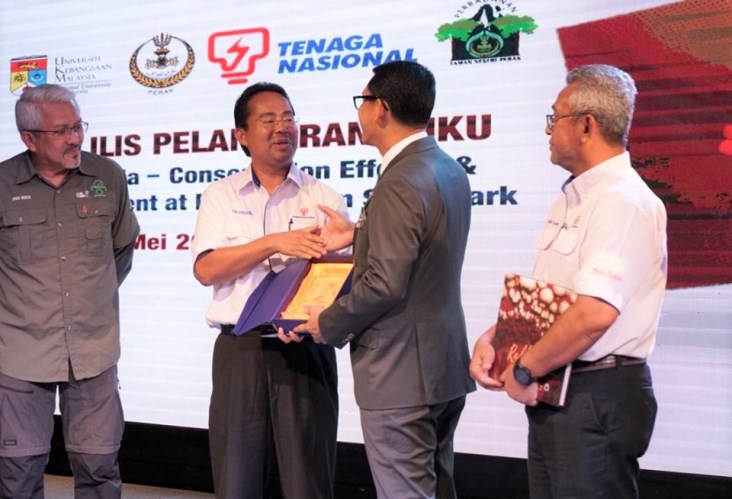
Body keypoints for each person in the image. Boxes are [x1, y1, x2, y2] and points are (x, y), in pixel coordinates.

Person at [470, 64, 667, 498]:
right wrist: (498, 341)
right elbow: (555, 301)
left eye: (554, 117)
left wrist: (525, 368)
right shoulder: (574, 197)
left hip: (594, 394)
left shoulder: (622, 202)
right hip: (559, 389)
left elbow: (592, 314)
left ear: (586, 126)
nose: (547, 129)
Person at [293, 61, 476, 499]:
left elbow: (385, 283)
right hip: (442, 365)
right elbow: (422, 248)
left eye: (363, 101)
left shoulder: (399, 180)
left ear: (382, 108)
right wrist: (359, 234)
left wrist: (327, 321)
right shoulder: (446, 167)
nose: (359, 112)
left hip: (400, 374)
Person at [191, 82, 350, 499]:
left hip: (305, 352)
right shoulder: (219, 195)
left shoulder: (324, 198)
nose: (283, 127)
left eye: (289, 118)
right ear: (241, 135)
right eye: (269, 120)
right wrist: (274, 243)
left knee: (307, 481)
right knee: (236, 480)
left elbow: (339, 279)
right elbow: (206, 269)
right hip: (239, 350)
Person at [0, 84, 140, 498]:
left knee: (99, 470)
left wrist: (90, 298)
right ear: (29, 139)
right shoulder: (2, 184)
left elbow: (121, 249)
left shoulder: (108, 176)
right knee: (18, 475)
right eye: (62, 131)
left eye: (78, 126)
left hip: (94, 351)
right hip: (20, 355)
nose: (75, 138)